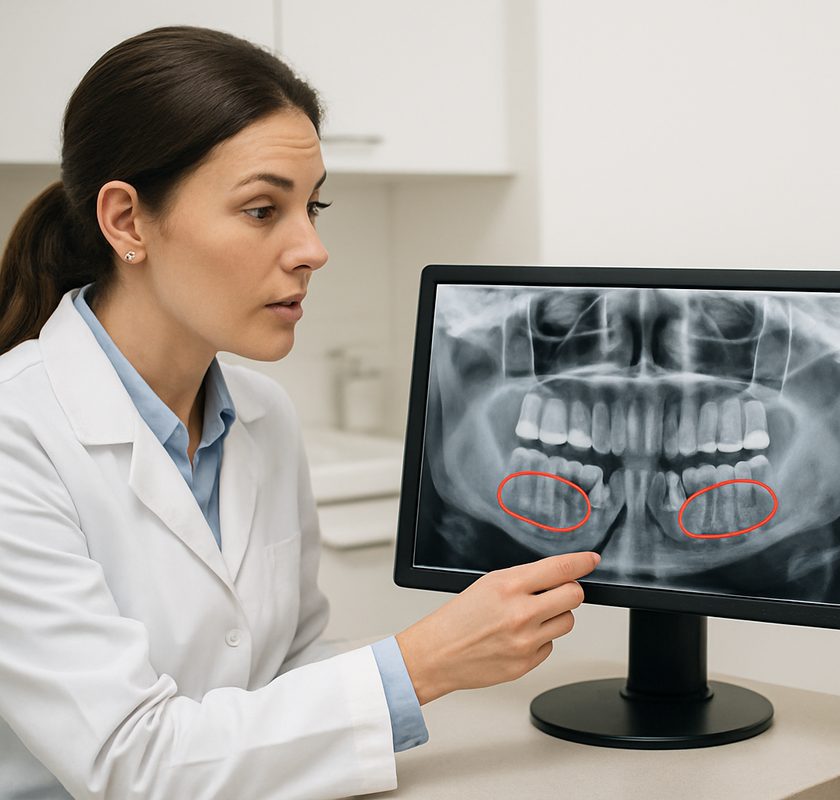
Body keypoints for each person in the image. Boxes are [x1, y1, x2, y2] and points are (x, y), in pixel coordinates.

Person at [0, 26, 597, 799]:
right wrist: (422, 663)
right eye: (260, 210)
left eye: (311, 207)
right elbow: (131, 762)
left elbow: (278, 667)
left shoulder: (261, 413)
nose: (311, 247)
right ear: (126, 222)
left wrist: (452, 652)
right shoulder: (19, 434)